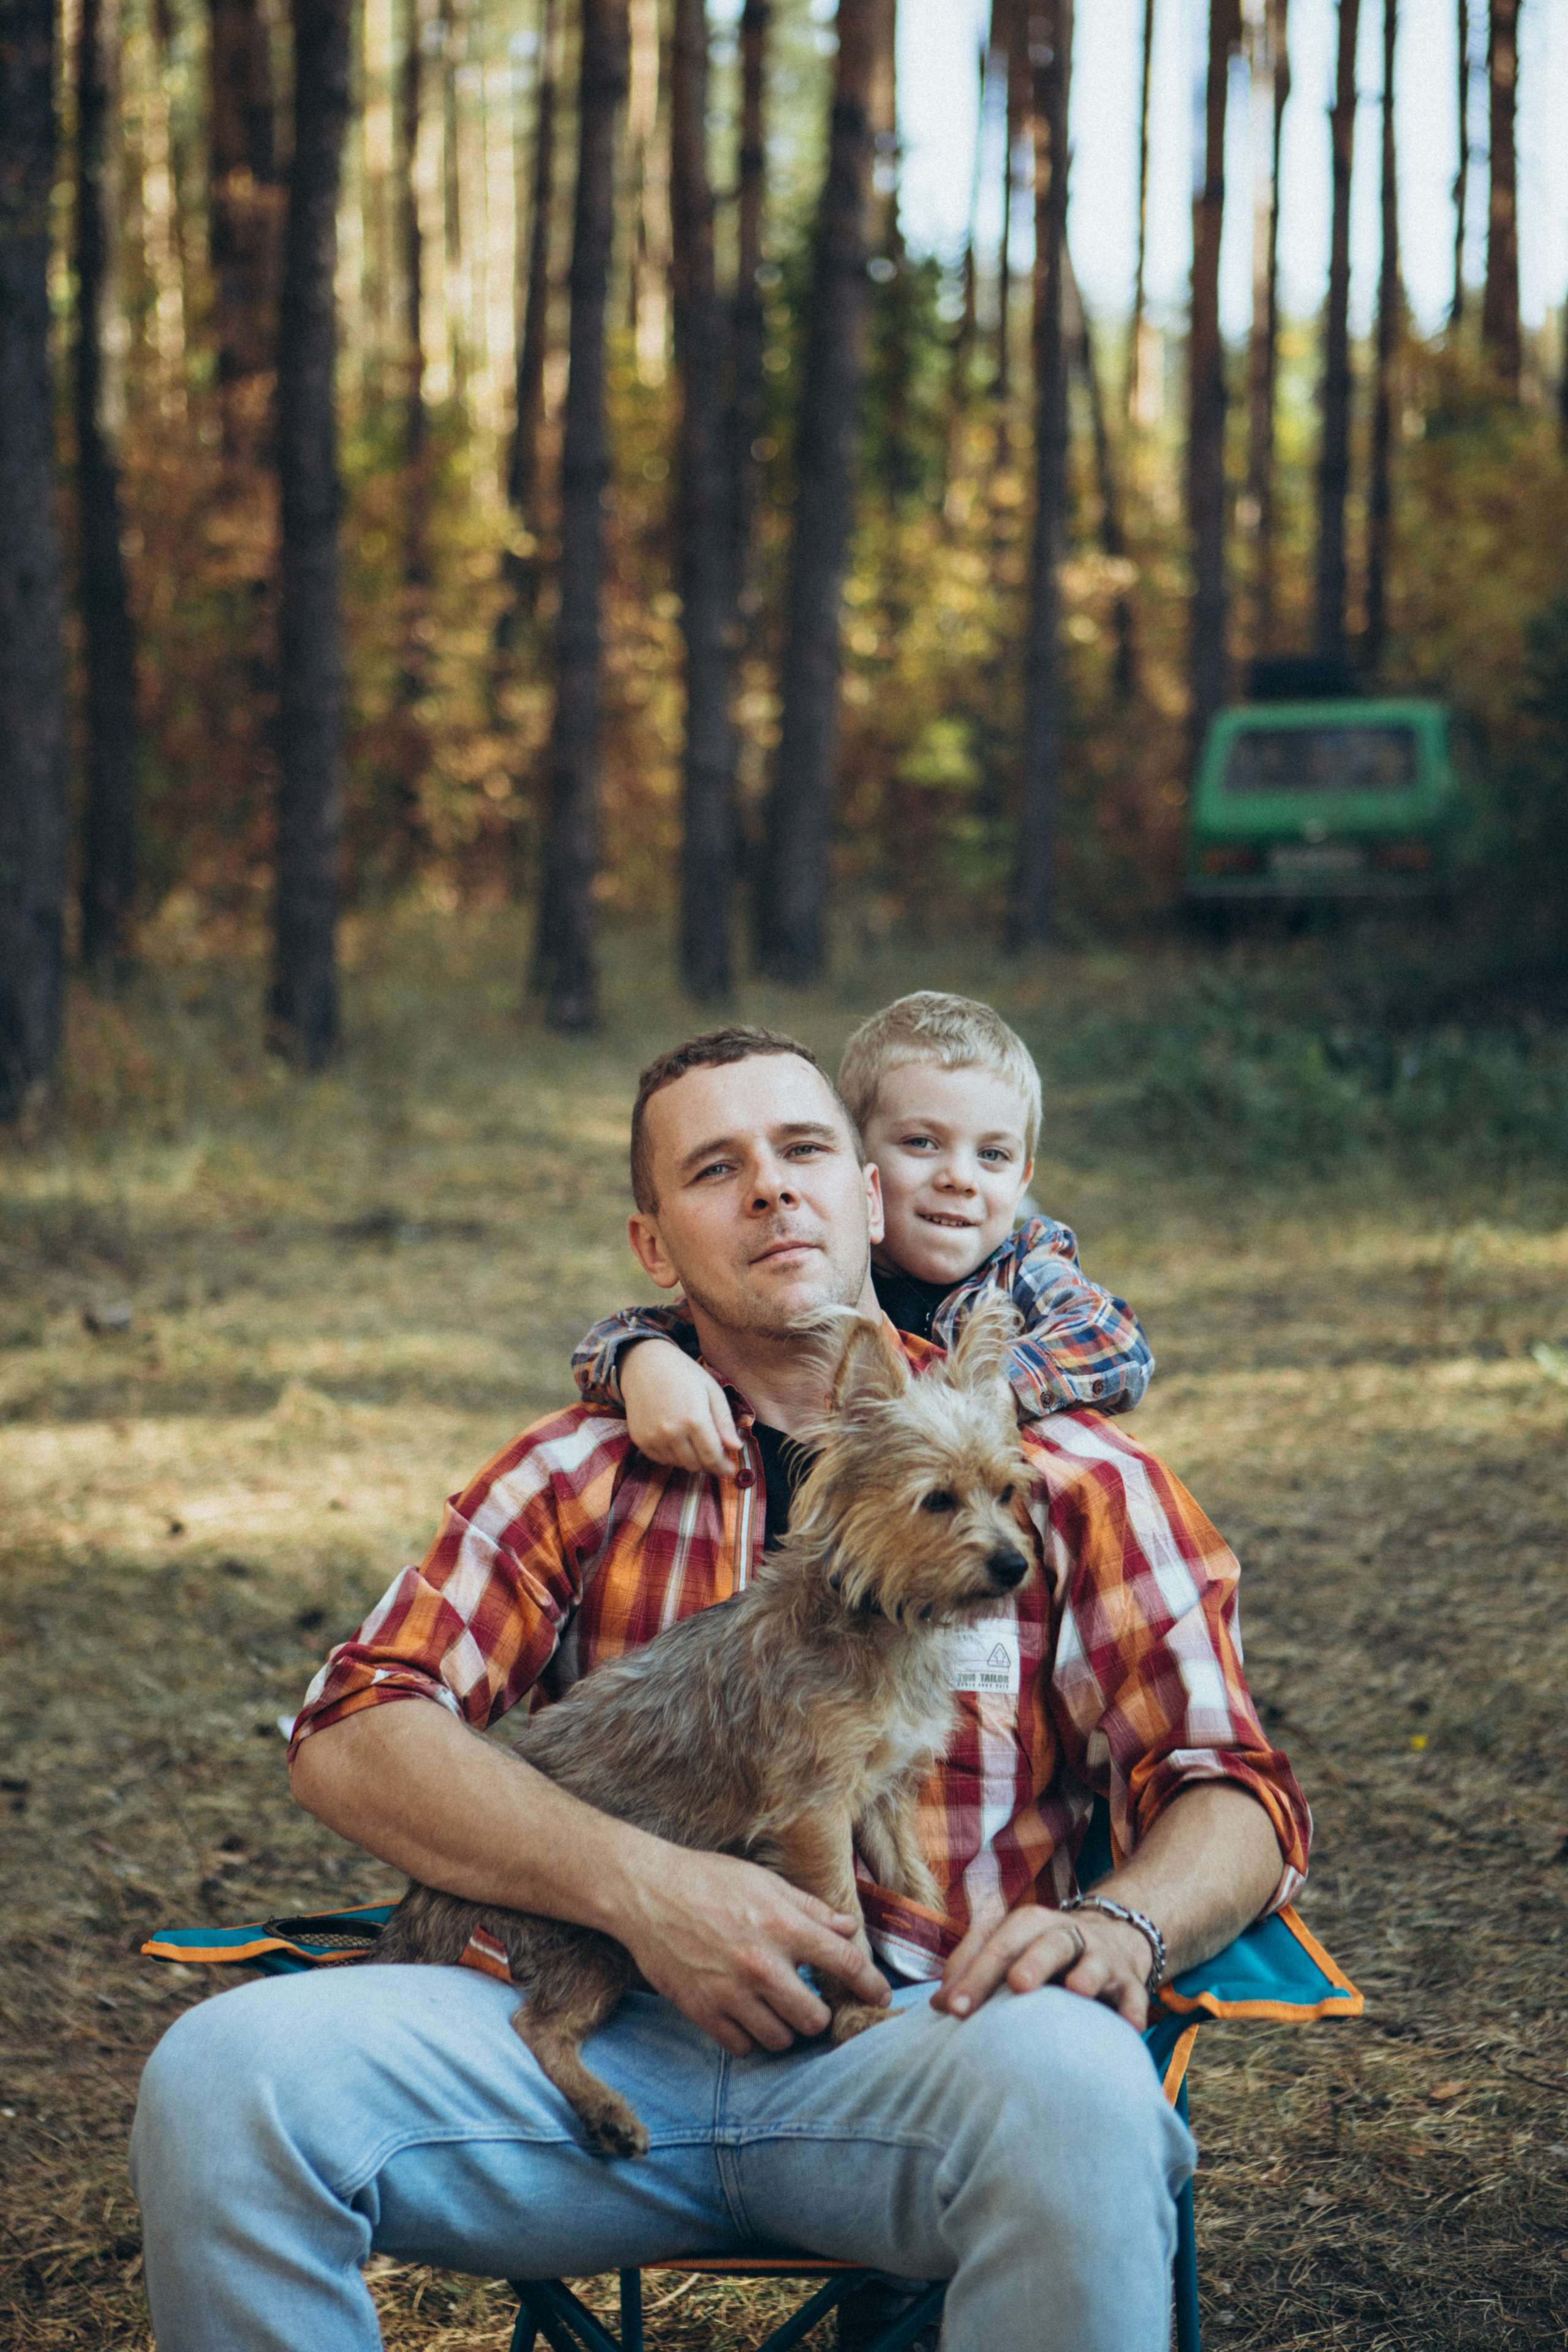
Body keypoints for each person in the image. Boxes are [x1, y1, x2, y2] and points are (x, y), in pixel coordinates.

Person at [129, 1024, 1311, 2352]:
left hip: (920, 2042)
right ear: (652, 1247)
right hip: (578, 2045)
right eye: (713, 1169)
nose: (768, 1189)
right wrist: (640, 1890)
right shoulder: (574, 1472)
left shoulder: (1072, 1479)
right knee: (220, 2079)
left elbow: (1234, 1791)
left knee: (1084, 2091)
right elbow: (350, 1734)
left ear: (868, 1194)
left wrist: (1123, 1928)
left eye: (804, 1150)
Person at [571, 992, 1153, 1481]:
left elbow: (1113, 1338)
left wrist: (991, 1390)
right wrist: (642, 1365)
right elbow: (649, 1325)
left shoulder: (1024, 1267)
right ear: (863, 1172)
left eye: (993, 1154)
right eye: (922, 1143)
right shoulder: (818, 1263)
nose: (959, 1178)